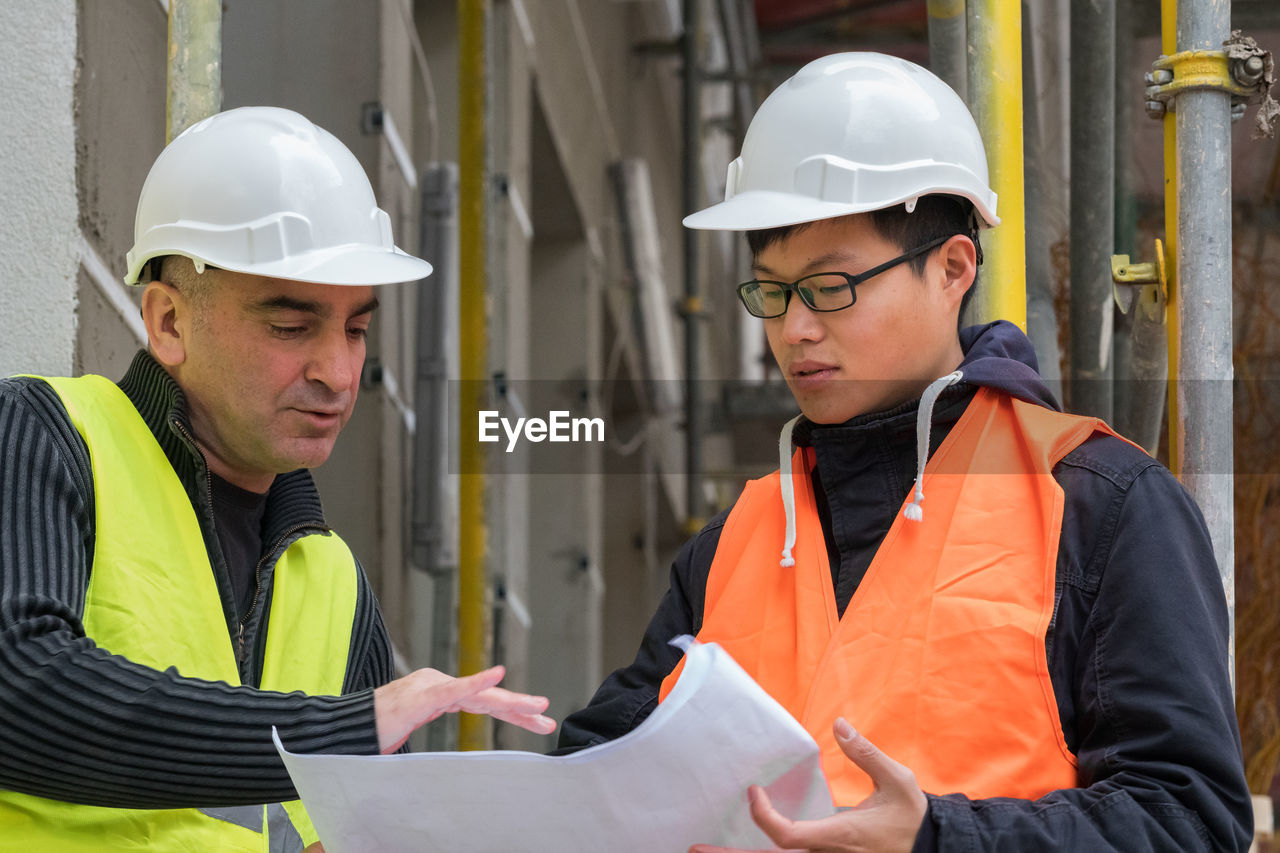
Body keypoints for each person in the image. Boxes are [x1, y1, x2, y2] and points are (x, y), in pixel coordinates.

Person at [558, 53, 1252, 851]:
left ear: (953, 267)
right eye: (772, 292)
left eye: (830, 286)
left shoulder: (1103, 505)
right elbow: (597, 778)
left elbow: (1190, 820)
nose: (795, 330)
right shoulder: (726, 552)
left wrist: (938, 836)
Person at [0, 106, 554, 852]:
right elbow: (18, 690)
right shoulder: (42, 434)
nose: (337, 371)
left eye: (356, 329)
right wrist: (342, 733)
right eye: (290, 327)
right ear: (167, 322)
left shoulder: (336, 583)